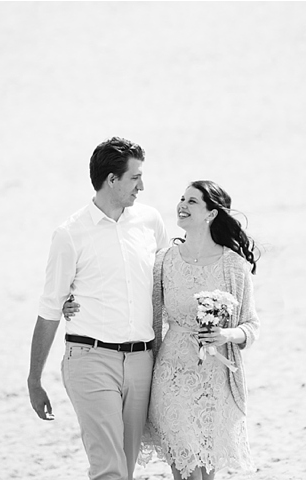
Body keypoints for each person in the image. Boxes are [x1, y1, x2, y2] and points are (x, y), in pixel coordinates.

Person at [27, 136, 169, 480]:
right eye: (135, 178)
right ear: (112, 180)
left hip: (141, 362)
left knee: (126, 466)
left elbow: (168, 277)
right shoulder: (71, 234)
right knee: (109, 469)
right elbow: (50, 307)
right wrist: (34, 379)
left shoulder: (150, 221)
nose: (142, 186)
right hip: (90, 360)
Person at [139, 180, 260, 480]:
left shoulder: (233, 265)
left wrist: (226, 335)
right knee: (187, 470)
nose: (182, 205)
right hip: (171, 376)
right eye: (182, 198)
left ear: (211, 214)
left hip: (214, 381)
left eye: (192, 201)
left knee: (206, 473)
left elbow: (251, 326)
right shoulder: (164, 261)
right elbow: (151, 320)